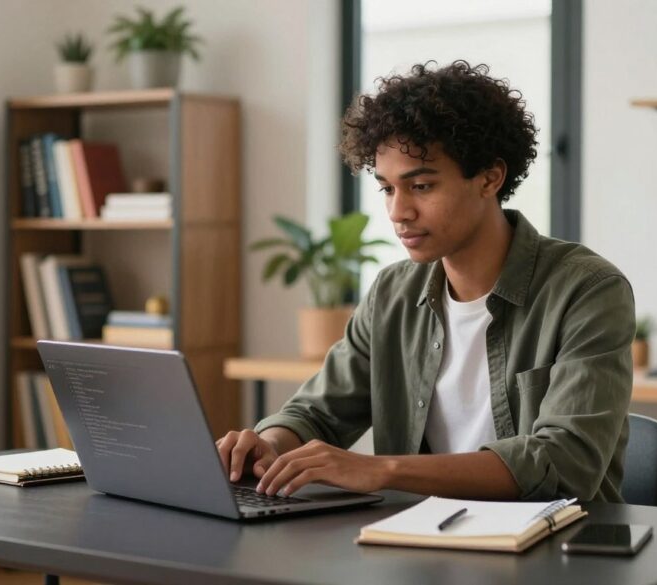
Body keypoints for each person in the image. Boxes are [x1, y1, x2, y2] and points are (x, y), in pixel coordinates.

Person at [217, 60, 635, 503]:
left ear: (490, 178)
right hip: (418, 548)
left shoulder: (587, 290)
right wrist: (272, 444)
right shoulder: (392, 294)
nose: (398, 212)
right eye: (387, 189)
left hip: (556, 554)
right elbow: (317, 413)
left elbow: (565, 464)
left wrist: (381, 470)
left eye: (420, 187)